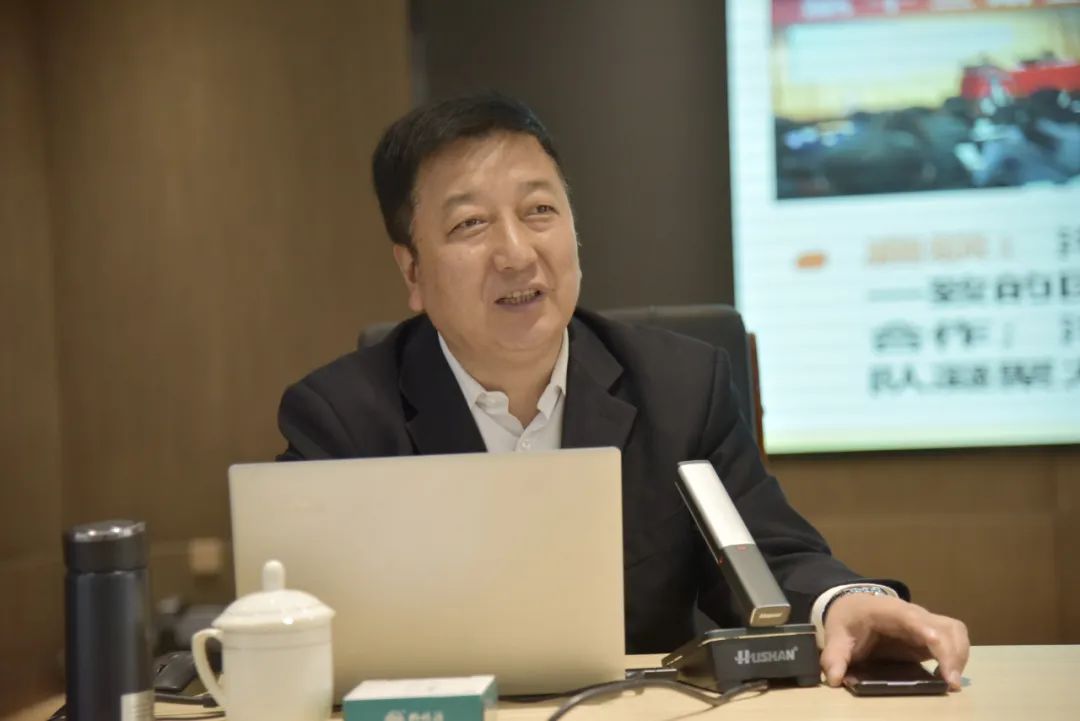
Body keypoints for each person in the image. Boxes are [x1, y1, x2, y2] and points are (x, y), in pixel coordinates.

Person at [276, 93, 969, 689]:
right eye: (470, 224)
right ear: (413, 272)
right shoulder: (342, 422)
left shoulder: (680, 388)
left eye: (539, 210)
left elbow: (769, 555)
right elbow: (295, 627)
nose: (516, 252)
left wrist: (844, 601)